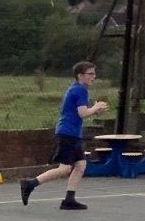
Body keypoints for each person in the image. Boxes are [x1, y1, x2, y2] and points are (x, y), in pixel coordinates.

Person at [21, 61, 109, 211]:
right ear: (80, 76)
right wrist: (95, 107)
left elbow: (80, 112)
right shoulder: (79, 90)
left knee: (80, 165)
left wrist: (95, 110)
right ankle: (29, 184)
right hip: (67, 133)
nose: (94, 77)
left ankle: (69, 199)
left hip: (72, 133)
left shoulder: (78, 89)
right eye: (90, 74)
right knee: (64, 168)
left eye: (94, 74)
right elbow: (83, 113)